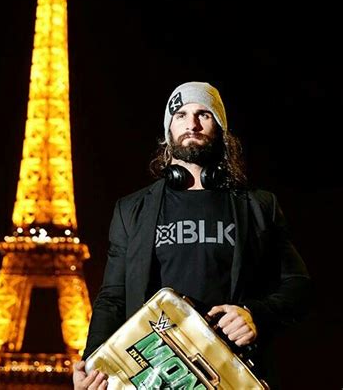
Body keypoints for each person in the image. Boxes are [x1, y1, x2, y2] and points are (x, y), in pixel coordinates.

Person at [73, 81, 311, 389]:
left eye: (204, 114)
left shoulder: (258, 206)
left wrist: (256, 315)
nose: (192, 124)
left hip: (228, 377)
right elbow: (112, 298)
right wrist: (93, 363)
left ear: (220, 128)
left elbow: (299, 287)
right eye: (181, 114)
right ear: (168, 129)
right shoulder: (132, 210)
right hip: (154, 376)